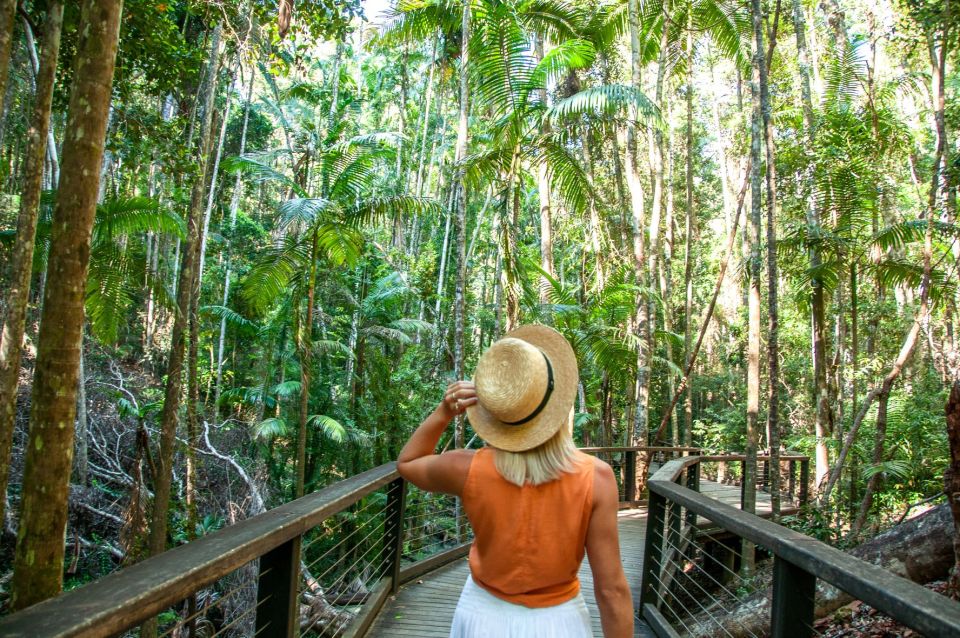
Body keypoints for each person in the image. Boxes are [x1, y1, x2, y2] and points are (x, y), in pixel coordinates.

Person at [398, 324, 634, 637]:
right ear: (558, 406)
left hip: (482, 618)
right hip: (560, 623)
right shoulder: (597, 477)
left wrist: (445, 410)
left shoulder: (467, 468)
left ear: (497, 413)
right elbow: (611, 591)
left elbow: (408, 462)